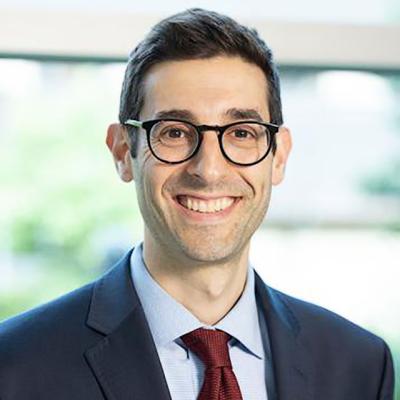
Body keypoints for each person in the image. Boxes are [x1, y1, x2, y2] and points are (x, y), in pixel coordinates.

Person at [0, 8, 394, 400]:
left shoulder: (358, 365)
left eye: (241, 132)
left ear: (279, 156)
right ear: (123, 151)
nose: (208, 170)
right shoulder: (16, 365)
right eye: (174, 132)